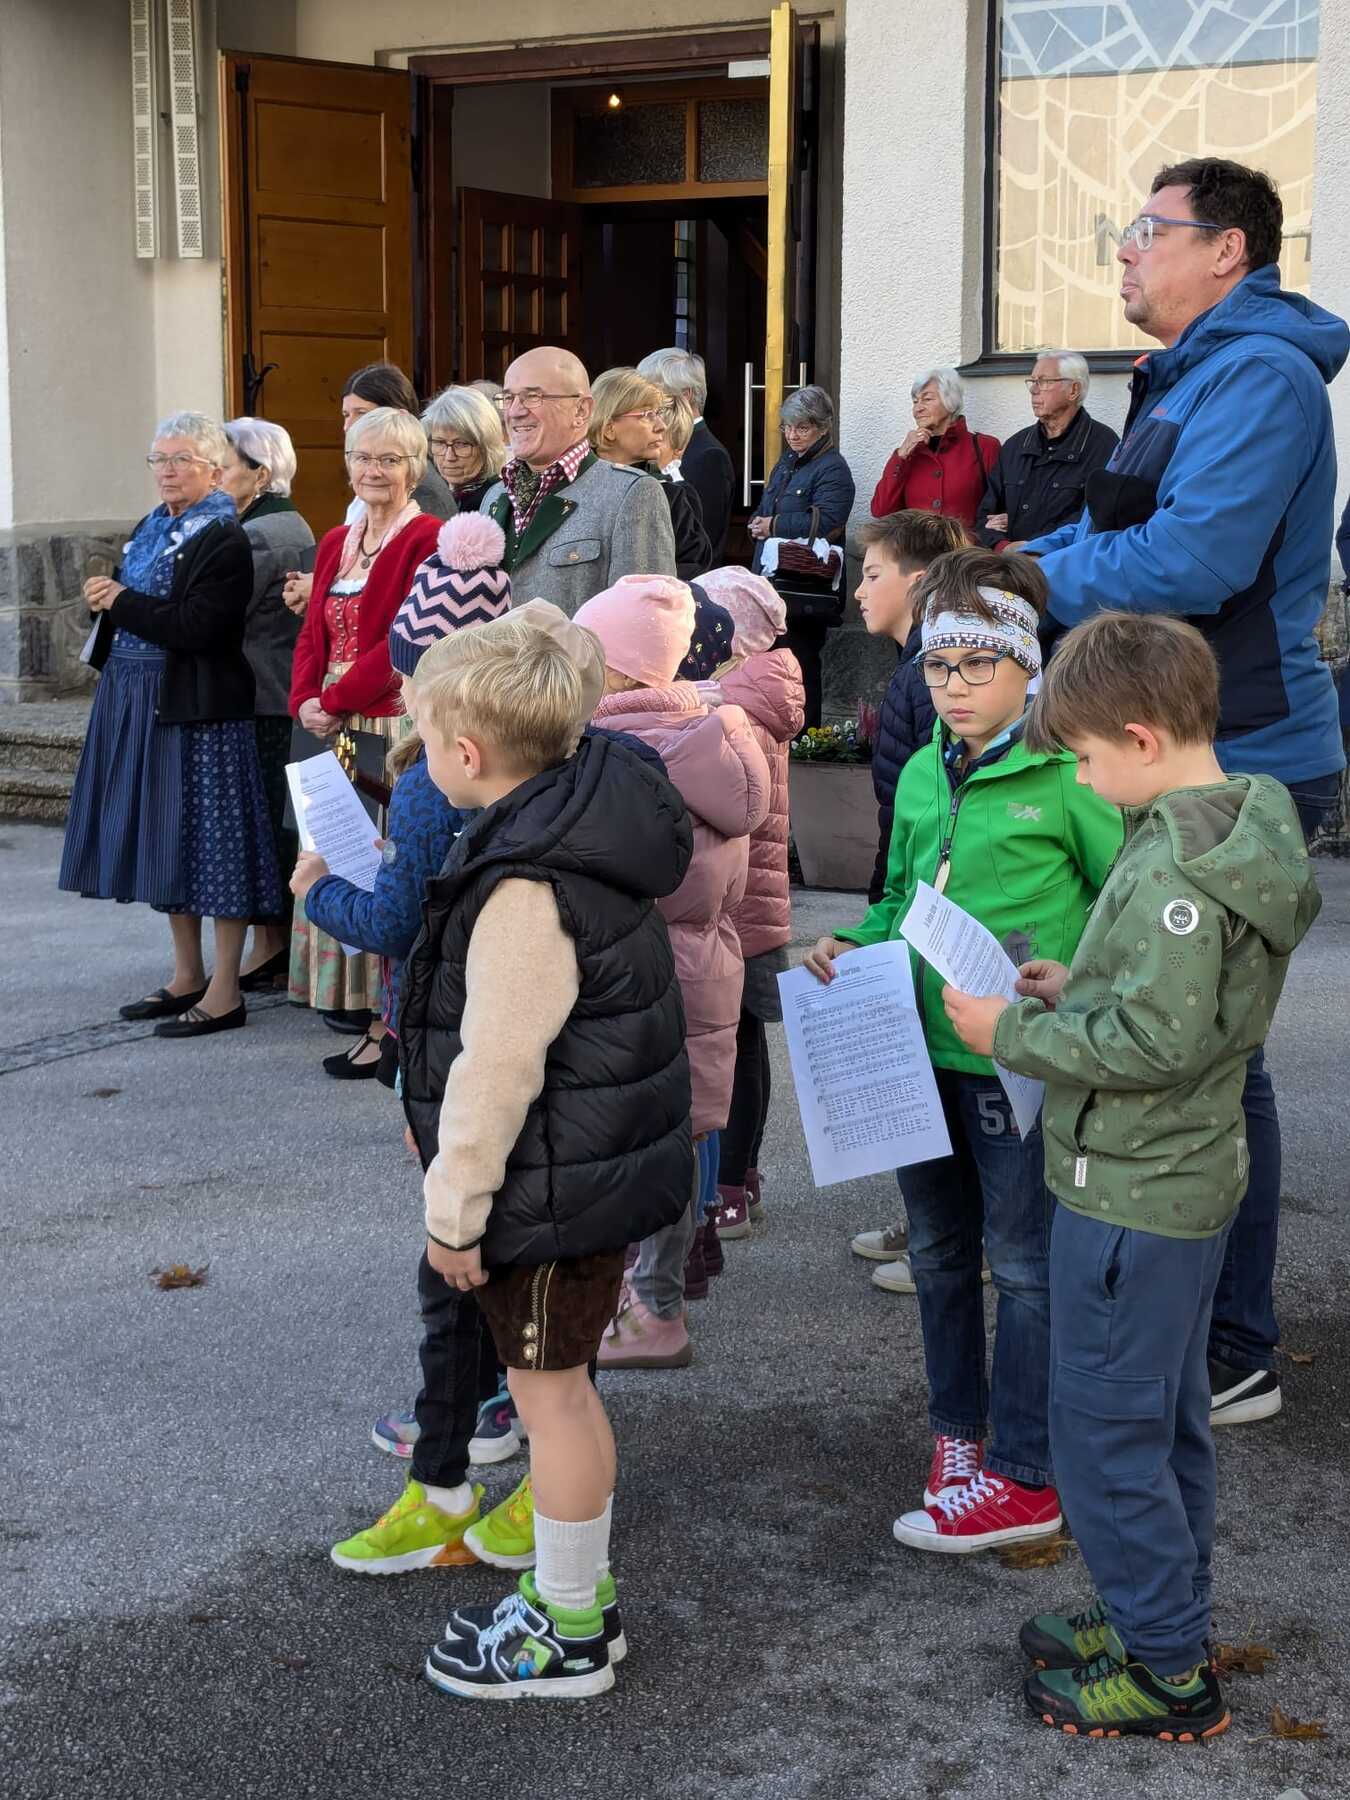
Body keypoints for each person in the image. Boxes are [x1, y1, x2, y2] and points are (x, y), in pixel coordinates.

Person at [943, 610, 1320, 1740]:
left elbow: (1158, 1043)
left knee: (1107, 1432)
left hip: (1132, 1192)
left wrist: (1011, 1031)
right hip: (1181, 1182)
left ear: (1142, 739)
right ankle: (1159, 1614)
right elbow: (1179, 1002)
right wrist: (1080, 986)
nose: (1082, 776)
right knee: (1162, 1420)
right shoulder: (1226, 818)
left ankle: (1166, 1671)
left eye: (1085, 757)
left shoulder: (1175, 870)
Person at [1022, 158, 1348, 1428]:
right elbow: (1120, 530)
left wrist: (1032, 579)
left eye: (1146, 230)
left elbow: (1195, 558)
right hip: (1178, 743)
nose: (1123, 250)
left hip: (1240, 752)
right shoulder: (1192, 371)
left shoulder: (1258, 376)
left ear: (1228, 251)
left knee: (1212, 1060)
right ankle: (1161, 1298)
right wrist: (1014, 559)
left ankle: (1231, 1343)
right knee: (1172, 1030)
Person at [396, 604, 696, 1701]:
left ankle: (569, 1627)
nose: (422, 756)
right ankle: (578, 1598)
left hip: (547, 1189)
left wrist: (454, 1213)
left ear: (470, 755)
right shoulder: (580, 817)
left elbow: (498, 1066)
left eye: (428, 741)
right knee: (561, 1392)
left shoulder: (527, 885)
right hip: (588, 1174)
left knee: (551, 1398)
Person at [804, 548, 1122, 1554]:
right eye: (939, 667)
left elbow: (1119, 906)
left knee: (1023, 1268)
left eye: (980, 665)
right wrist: (850, 941)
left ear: (1029, 668)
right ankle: (959, 1438)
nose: (954, 686)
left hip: (1014, 1065)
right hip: (915, 1055)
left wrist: (1067, 975)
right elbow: (902, 898)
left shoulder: (1068, 775)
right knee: (939, 1255)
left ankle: (1025, 1470)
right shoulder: (920, 776)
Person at [575, 577, 770, 1370]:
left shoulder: (621, 749)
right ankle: (657, 1298)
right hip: (704, 964)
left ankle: (649, 1306)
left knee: (631, 1137)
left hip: (640, 970)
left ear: (618, 670)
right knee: (677, 1136)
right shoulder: (712, 736)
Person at [59, 412, 283, 1035]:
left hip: (198, 706)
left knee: (216, 846)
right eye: (159, 459)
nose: (167, 471)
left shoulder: (224, 536)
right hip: (138, 699)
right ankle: (186, 975)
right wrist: (110, 603)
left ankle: (225, 990)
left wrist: (121, 600)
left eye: (181, 459)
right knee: (166, 840)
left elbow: (199, 627)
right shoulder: (152, 525)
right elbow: (138, 606)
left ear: (214, 470)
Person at [288, 407, 441, 1069]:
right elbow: (311, 635)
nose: (374, 471)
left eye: (389, 459)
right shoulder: (335, 541)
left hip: (385, 715)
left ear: (414, 468)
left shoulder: (428, 537)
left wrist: (334, 700)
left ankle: (388, 1023)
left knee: (381, 860)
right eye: (363, 458)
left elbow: (405, 636)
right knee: (334, 844)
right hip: (329, 719)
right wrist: (303, 700)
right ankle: (350, 1000)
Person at [848, 510, 969, 1296]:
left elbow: (934, 813)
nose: (859, 591)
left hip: (931, 900)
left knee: (940, 1076)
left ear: (918, 582)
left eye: (872, 574)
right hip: (906, 890)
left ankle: (952, 1236)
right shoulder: (912, 668)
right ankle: (931, 1222)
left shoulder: (935, 674)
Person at [691, 568, 804, 1246]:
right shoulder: (761, 693)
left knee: (727, 1051)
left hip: (734, 909)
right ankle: (744, 1179)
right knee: (744, 1043)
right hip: (759, 907)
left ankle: (729, 1185)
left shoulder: (732, 709)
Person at [220, 417, 315, 991]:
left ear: (260, 473)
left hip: (267, 696)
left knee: (269, 825)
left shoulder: (262, 533)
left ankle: (274, 946)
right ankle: (270, 946)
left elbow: (221, 613)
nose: (215, 475)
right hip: (272, 692)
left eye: (225, 465)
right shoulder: (272, 521)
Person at [479, 346, 677, 614]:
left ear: (581, 410)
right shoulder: (495, 495)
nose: (514, 411)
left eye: (532, 396)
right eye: (508, 398)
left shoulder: (631, 493)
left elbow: (647, 621)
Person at [748, 384, 856, 730]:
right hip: (774, 583)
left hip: (804, 590)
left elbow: (828, 521)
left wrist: (774, 525)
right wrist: (758, 523)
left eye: (802, 428)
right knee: (773, 666)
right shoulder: (787, 463)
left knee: (801, 665)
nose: (792, 435)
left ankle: (806, 739)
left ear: (823, 428)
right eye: (788, 427)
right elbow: (767, 506)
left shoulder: (833, 468)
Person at [973, 353, 1117, 550]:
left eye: (1045, 382)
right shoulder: (1016, 445)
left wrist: (1033, 547)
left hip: (1062, 563)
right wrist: (1003, 546)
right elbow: (985, 517)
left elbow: (1091, 520)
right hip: (1007, 563)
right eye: (1032, 381)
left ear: (1073, 390)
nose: (1034, 390)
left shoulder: (1104, 446)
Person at [589, 367, 712, 580]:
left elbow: (694, 571)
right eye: (647, 415)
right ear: (609, 428)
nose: (661, 426)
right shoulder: (570, 488)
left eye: (657, 413)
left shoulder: (670, 495)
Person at [870, 369, 1000, 530]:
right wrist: (900, 456)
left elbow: (1001, 509)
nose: (918, 409)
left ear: (950, 402)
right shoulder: (908, 454)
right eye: (915, 402)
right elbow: (881, 511)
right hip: (917, 545)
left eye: (927, 399)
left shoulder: (984, 447)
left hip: (966, 545)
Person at [638, 347, 736, 559]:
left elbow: (700, 539)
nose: (644, 403)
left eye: (654, 393)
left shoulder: (710, 456)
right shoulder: (655, 445)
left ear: (685, 395)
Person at [342, 362, 456, 520]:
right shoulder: (366, 486)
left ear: (396, 416)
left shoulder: (424, 491)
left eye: (361, 414)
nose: (347, 426)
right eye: (346, 415)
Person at [421, 384, 508, 517]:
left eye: (461, 444)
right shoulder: (439, 496)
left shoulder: (497, 502)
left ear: (487, 447)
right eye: (439, 442)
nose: (449, 456)